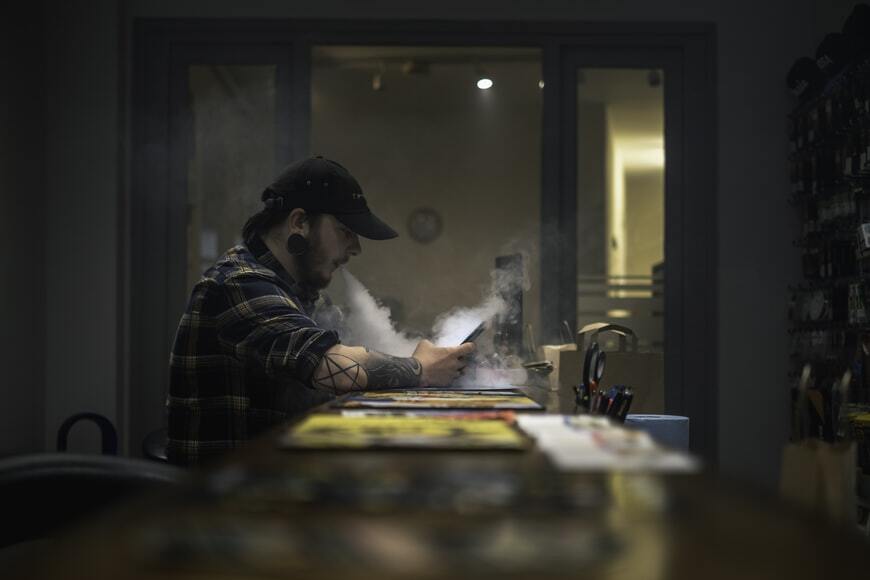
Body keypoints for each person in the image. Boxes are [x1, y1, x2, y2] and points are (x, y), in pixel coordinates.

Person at [167, 156, 473, 465]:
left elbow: (354, 350)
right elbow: (330, 367)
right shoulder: (240, 284)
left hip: (275, 478)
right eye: (344, 231)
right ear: (299, 223)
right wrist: (419, 369)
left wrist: (431, 359)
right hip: (225, 496)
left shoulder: (300, 294)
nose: (356, 248)